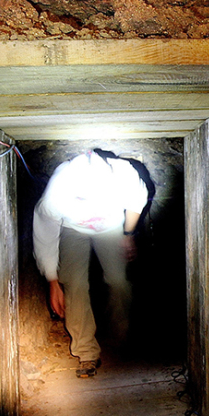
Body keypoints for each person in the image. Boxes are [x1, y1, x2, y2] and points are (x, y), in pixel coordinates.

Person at [32, 150, 150, 378]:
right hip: (72, 229)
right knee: (74, 283)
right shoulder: (56, 195)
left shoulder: (124, 175)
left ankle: (121, 338)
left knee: (118, 281)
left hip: (111, 227)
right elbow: (45, 235)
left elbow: (137, 202)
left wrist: (128, 234)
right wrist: (52, 280)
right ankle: (86, 351)